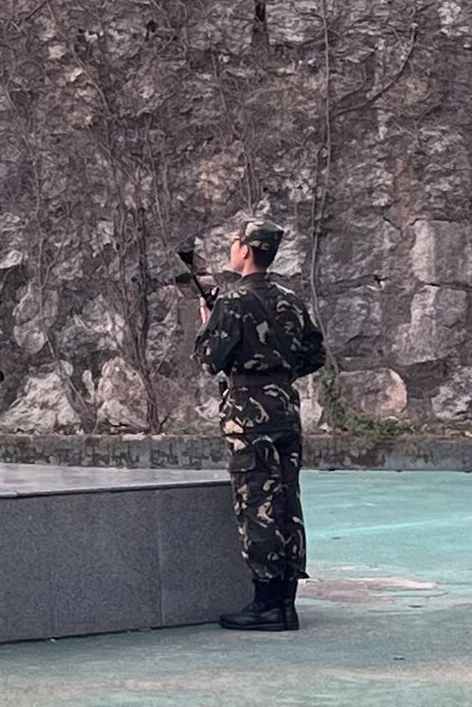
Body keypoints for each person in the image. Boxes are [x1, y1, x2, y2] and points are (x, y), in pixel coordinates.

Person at [197, 216, 326, 632]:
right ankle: (287, 602)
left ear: (246, 249)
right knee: (287, 500)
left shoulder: (232, 302)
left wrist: (207, 317)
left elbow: (209, 359)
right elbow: (313, 355)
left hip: (248, 412)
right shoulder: (291, 299)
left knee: (257, 502)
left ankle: (266, 602)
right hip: (285, 406)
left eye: (235, 242)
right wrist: (277, 369)